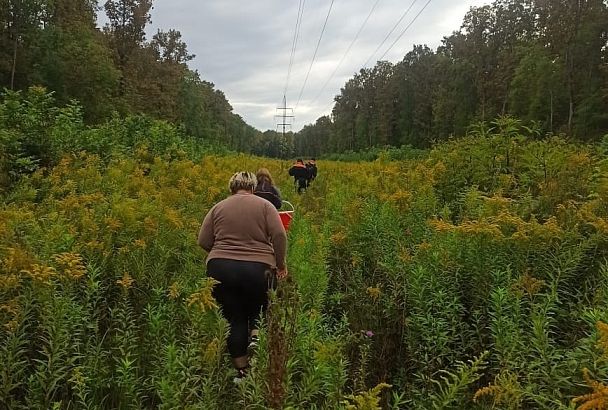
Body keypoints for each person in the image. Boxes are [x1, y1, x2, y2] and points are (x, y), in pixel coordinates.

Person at [198, 171, 288, 382]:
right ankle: (256, 335)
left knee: (234, 318)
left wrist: (221, 252)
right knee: (260, 304)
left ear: (231, 187)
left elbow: (203, 240)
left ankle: (242, 373)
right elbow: (279, 235)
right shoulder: (266, 206)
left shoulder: (218, 207)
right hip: (259, 268)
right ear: (253, 188)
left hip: (220, 269)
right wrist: (281, 263)